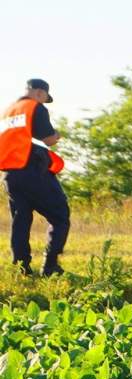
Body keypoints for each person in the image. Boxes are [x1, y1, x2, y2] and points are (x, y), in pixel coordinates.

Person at [0, 79, 70, 276]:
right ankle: (50, 266)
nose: (43, 101)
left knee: (21, 219)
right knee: (60, 216)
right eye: (44, 98)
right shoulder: (35, 108)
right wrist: (56, 135)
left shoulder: (7, 112)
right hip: (32, 171)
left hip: (9, 174)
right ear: (40, 93)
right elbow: (47, 138)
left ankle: (23, 268)